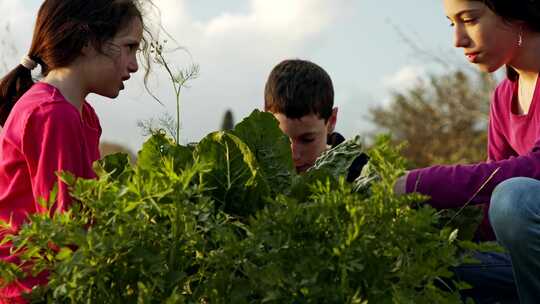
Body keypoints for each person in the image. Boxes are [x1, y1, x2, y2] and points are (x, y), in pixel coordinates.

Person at [0, 0, 149, 302]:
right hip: (30, 291)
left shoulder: (82, 114)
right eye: (129, 47)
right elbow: (66, 231)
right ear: (85, 42)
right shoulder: (51, 114)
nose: (134, 65)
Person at [394, 0, 540, 302]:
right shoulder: (503, 97)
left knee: (514, 198)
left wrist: (417, 185)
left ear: (517, 13)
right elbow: (488, 211)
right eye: (452, 23)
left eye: (469, 19)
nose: (457, 40)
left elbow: (531, 173)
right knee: (434, 265)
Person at [264, 59, 367, 179]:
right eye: (281, 140)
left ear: (331, 121)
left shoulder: (361, 178)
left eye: (307, 140)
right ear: (264, 122)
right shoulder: (249, 174)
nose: (294, 155)